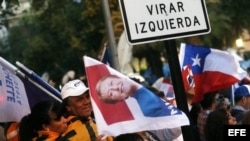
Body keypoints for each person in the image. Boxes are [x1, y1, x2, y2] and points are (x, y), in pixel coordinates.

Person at [95, 74, 182, 117]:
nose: (115, 88)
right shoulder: (144, 111)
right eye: (111, 93)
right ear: (120, 99)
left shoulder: (147, 93)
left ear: (119, 77)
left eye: (111, 83)